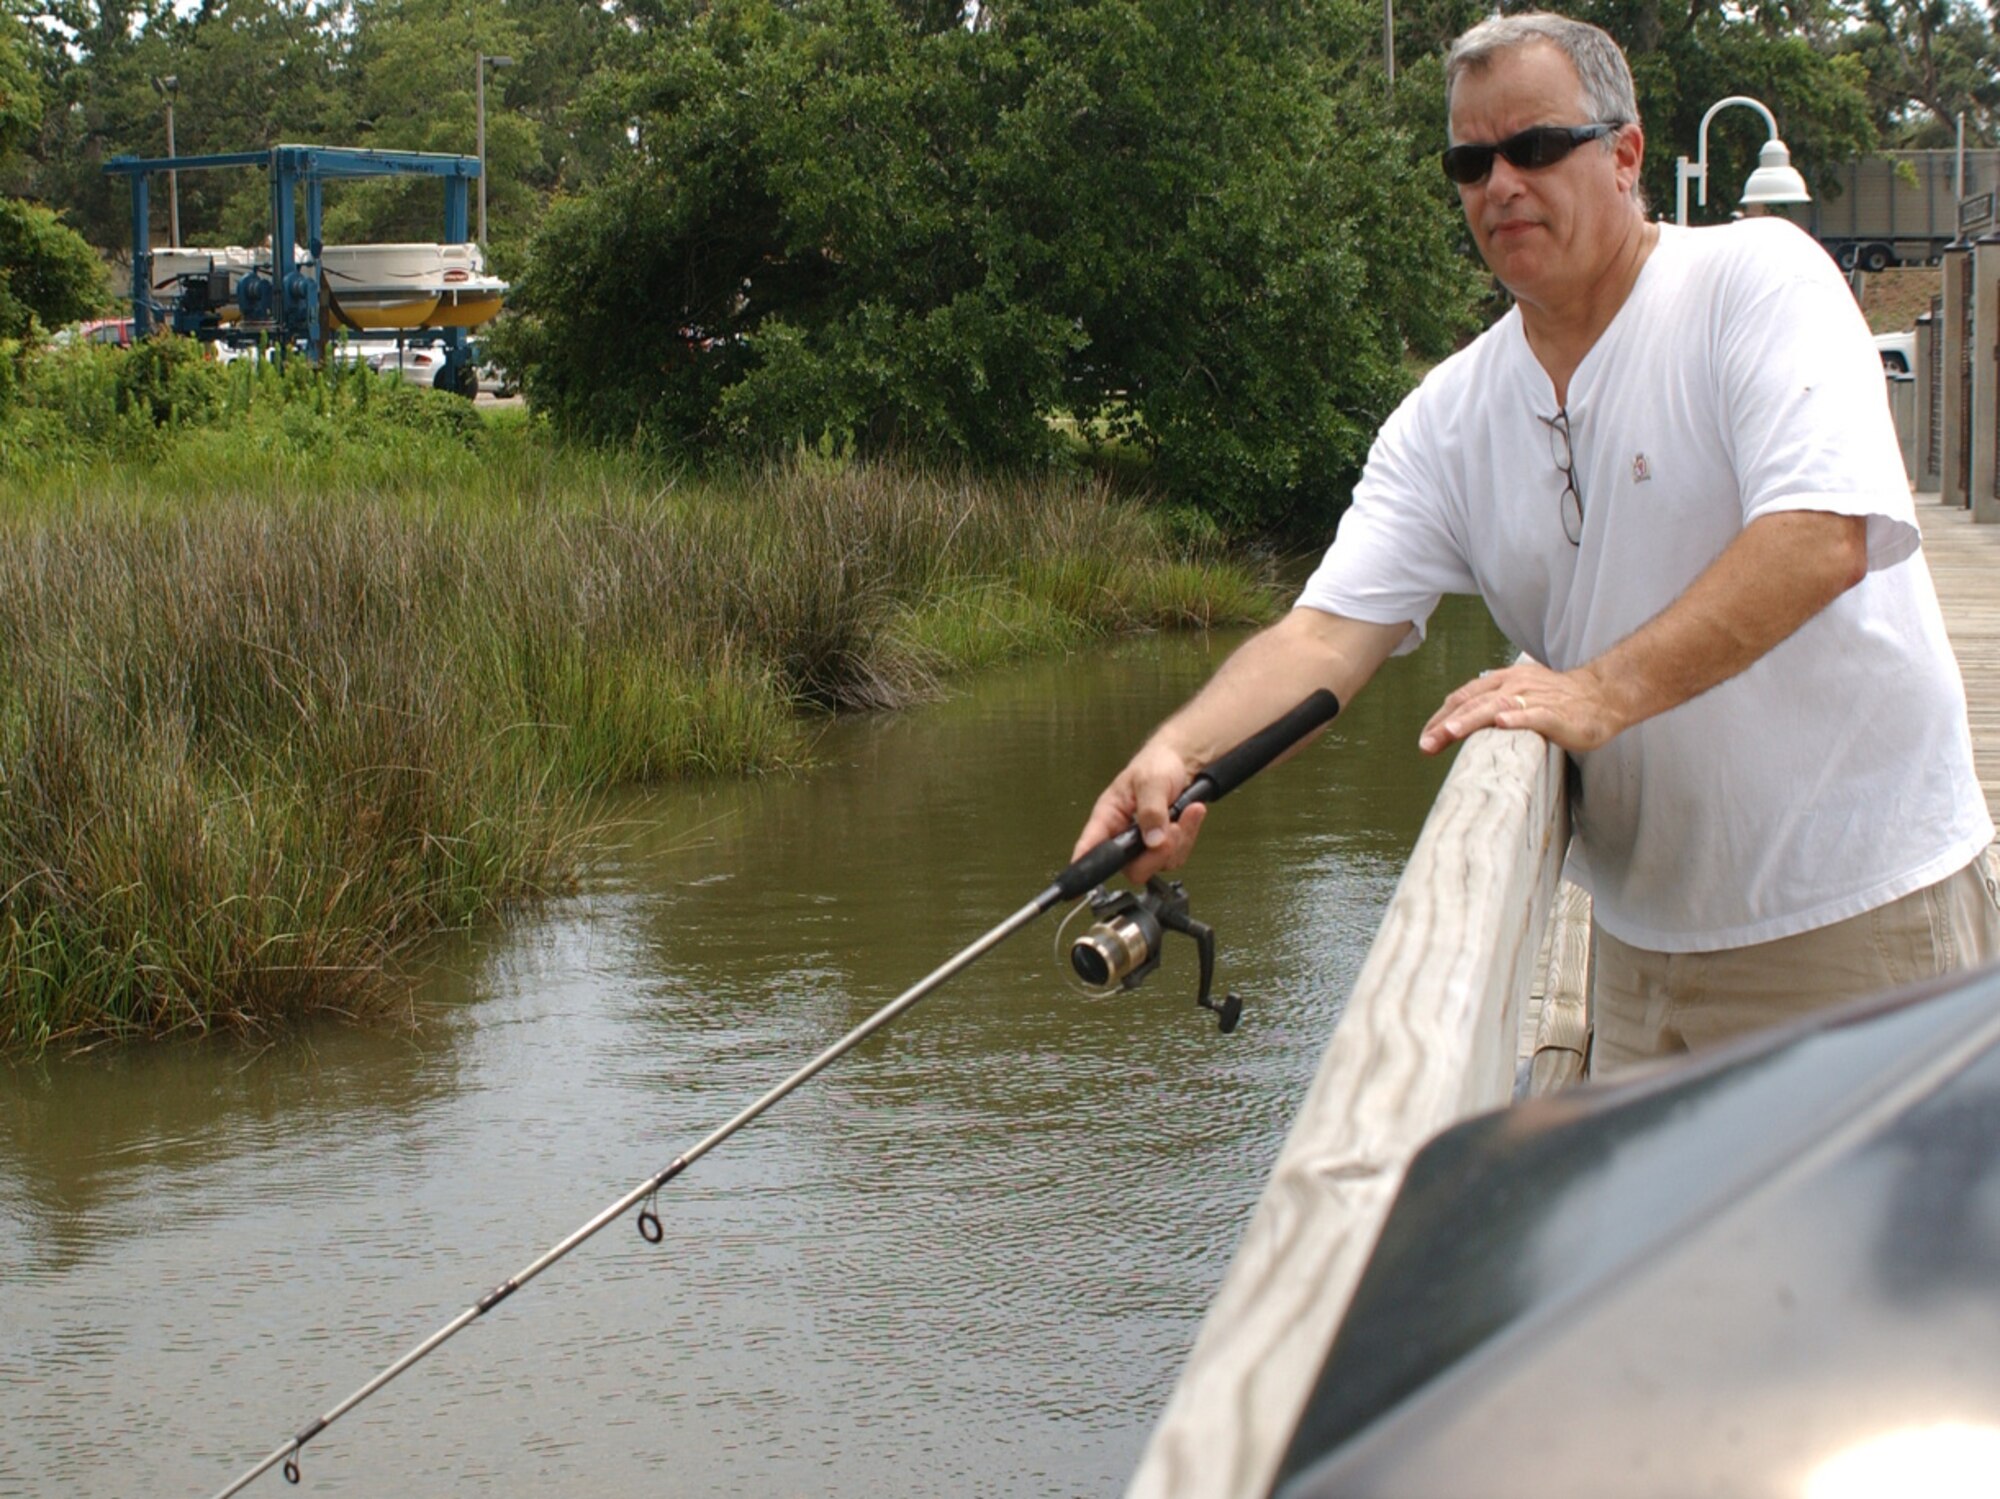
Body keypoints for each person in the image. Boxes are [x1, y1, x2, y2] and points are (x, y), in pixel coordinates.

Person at [1071, 11, 1999, 1074]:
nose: (1497, 183)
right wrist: (1172, 759)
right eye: (1469, 160)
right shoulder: (1446, 417)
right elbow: (1324, 636)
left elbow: (1818, 536)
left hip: (1853, 917)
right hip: (1638, 947)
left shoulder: (1756, 282)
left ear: (1624, 154)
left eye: (1533, 147)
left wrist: (1593, 691)